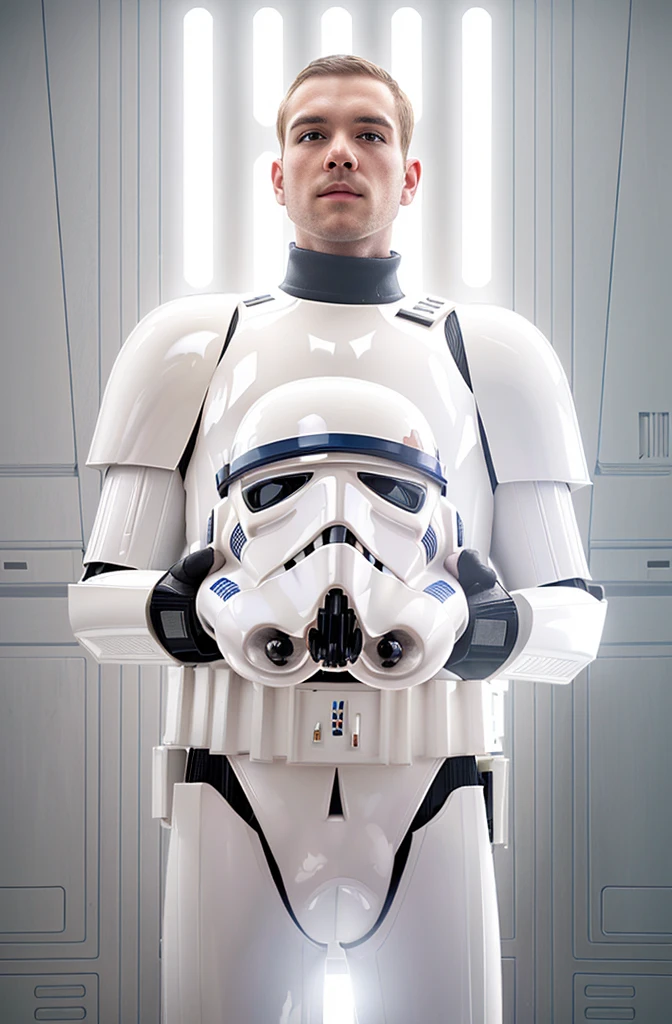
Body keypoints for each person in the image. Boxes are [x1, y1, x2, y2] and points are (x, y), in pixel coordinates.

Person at [69, 55, 606, 1024]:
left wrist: (484, 628)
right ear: (278, 172)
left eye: (370, 132)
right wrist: (186, 609)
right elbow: (100, 594)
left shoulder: (495, 354)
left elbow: (574, 609)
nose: (340, 154)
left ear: (410, 172)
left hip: (435, 779)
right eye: (312, 133)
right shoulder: (191, 345)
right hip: (230, 776)